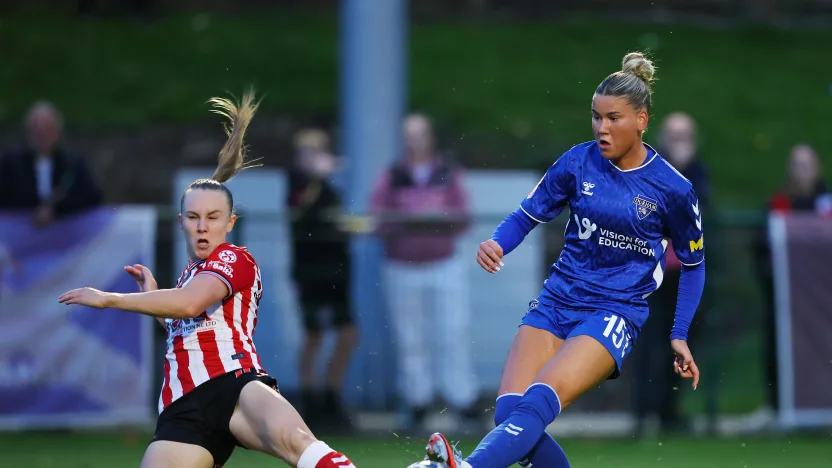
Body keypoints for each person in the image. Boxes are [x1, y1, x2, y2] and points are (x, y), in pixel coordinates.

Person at [413, 52, 706, 468]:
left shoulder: (672, 188)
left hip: (613, 311)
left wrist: (679, 332)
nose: (602, 128)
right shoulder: (577, 162)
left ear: (641, 120)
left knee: (536, 403)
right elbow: (526, 214)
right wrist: (498, 242)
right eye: (596, 117)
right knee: (509, 414)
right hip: (557, 300)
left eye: (614, 118)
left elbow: (694, 265)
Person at [58, 91, 357, 468]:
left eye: (213, 217)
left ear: (230, 224)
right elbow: (189, 319)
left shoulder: (234, 258)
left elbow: (190, 304)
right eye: (194, 217)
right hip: (183, 407)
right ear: (181, 221)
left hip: (234, 385)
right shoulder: (189, 276)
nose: (203, 227)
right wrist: (154, 300)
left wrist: (109, 299)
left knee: (300, 447)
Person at [370, 113, 477, 431]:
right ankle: (418, 400)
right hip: (402, 264)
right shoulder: (393, 175)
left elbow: (464, 216)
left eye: (418, 135)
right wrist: (405, 219)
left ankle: (461, 399)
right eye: (407, 135)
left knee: (452, 331)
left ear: (429, 138)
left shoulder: (447, 172)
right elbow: (376, 218)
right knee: (410, 336)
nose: (412, 142)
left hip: (443, 263)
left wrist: (436, 216)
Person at [631, 111, 711, 435]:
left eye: (684, 136)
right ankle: (643, 414)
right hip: (652, 273)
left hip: (683, 273)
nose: (678, 144)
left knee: (679, 342)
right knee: (646, 343)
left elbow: (700, 209)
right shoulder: (649, 167)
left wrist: (686, 170)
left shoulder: (698, 172)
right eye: (673, 136)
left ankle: (670, 413)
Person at [287, 128, 357, 432]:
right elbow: (300, 211)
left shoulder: (329, 187)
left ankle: (331, 395)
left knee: (348, 334)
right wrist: (316, 178)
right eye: (310, 153)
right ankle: (308, 400)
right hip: (310, 272)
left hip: (337, 271)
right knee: (313, 336)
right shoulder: (297, 183)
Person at [0, 101, 103, 226]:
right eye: (36, 130)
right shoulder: (11, 163)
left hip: (66, 237)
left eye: (48, 130)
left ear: (58, 132)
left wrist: (58, 208)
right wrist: (35, 210)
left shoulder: (74, 164)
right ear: (28, 132)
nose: (42, 135)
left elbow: (93, 197)